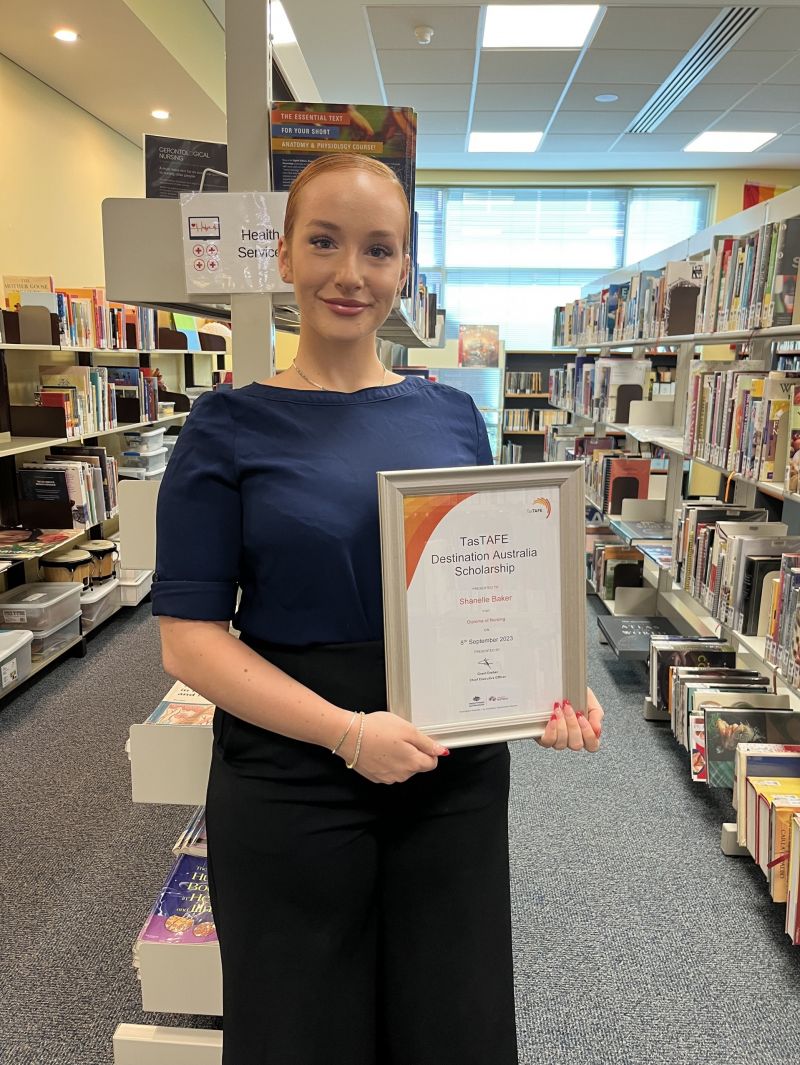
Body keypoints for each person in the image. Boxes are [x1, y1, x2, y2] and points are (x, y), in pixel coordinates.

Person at [152, 153, 604, 1065]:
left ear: (405, 271)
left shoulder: (449, 417)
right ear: (283, 255)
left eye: (377, 249)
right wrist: (349, 734)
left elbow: (486, 583)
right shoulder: (227, 426)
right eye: (323, 242)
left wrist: (551, 683)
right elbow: (189, 641)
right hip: (294, 771)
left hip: (449, 772)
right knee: (300, 1026)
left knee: (456, 1022)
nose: (349, 273)